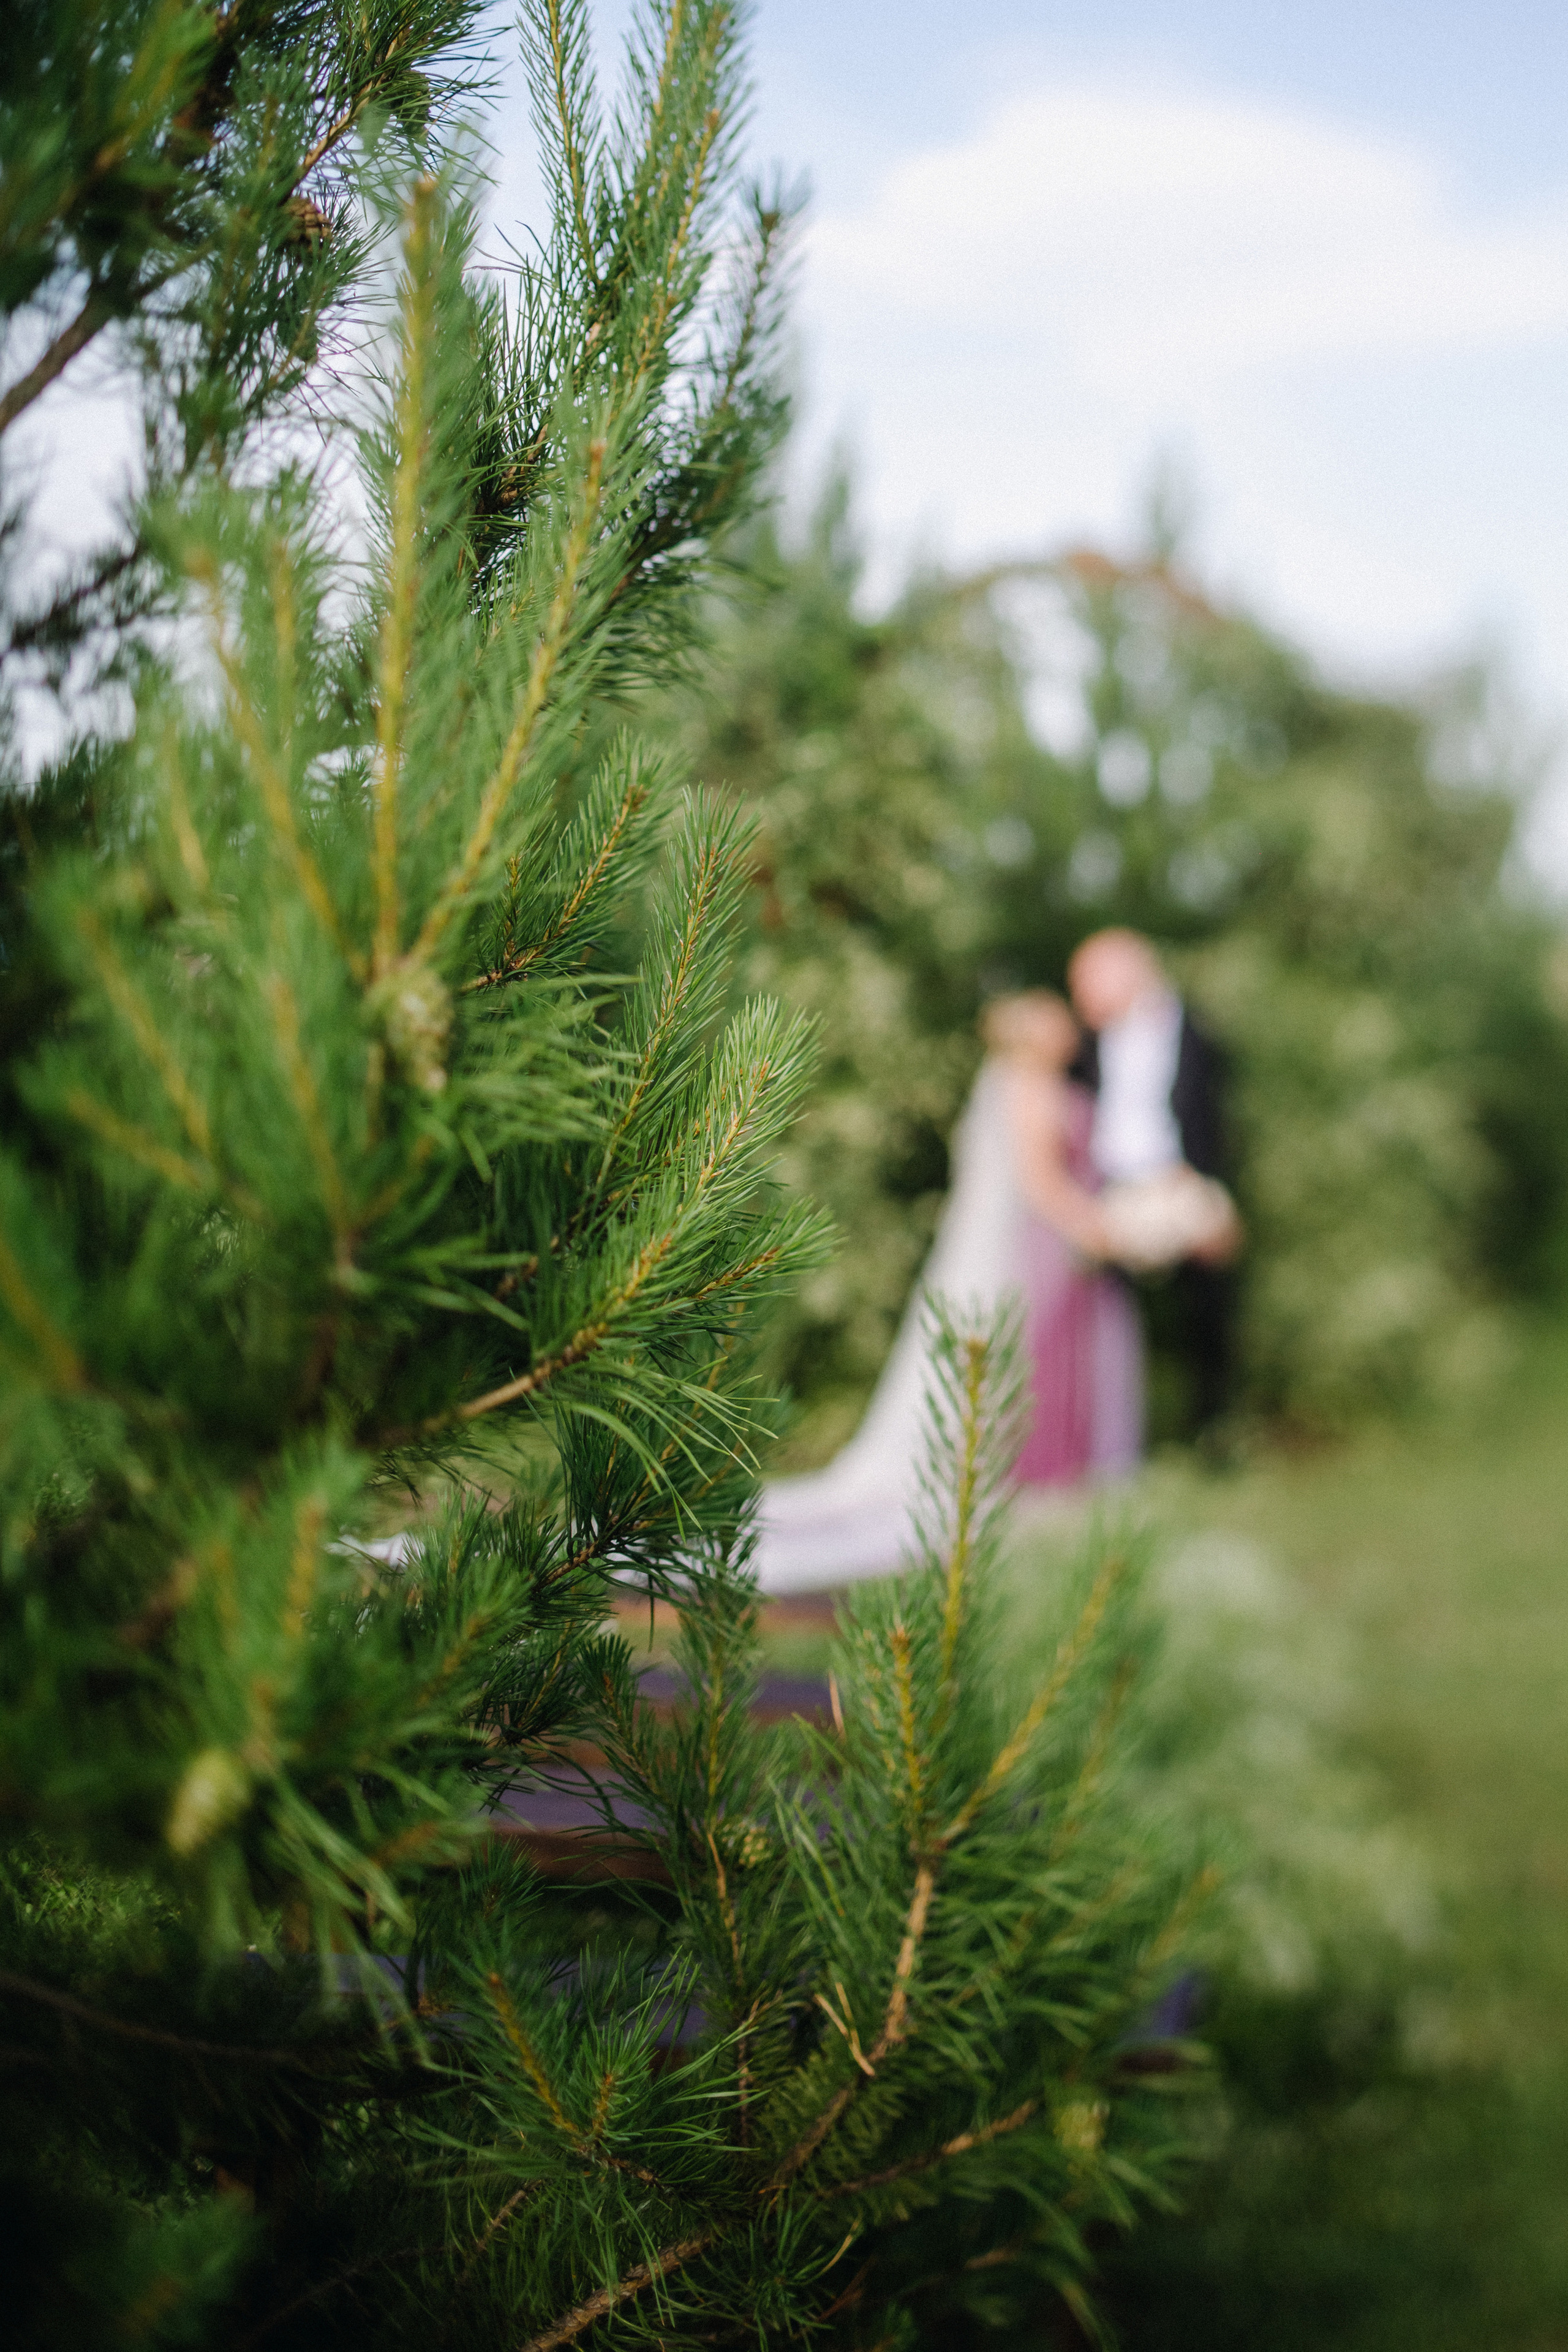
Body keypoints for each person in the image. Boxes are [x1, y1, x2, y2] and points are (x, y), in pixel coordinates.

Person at [752, 990, 1142, 1597]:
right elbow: (1041, 1184)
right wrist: (1102, 1230)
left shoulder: (1020, 1083)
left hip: (1036, 1248)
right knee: (1024, 1362)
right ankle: (1028, 1479)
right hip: (1035, 1249)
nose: (1065, 1023)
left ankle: (1039, 1477)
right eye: (1051, 1016)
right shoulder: (1026, 1086)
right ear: (1030, 1033)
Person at [1066, 928, 1238, 1436]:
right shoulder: (1084, 1045)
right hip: (1109, 1191)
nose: (1081, 994)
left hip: (1181, 1182)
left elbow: (1217, 1123)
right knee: (1104, 1316)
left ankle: (1212, 1429)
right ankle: (1106, 1431)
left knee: (1209, 1308)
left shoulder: (1197, 1032)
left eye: (1087, 979)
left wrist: (1214, 1197)